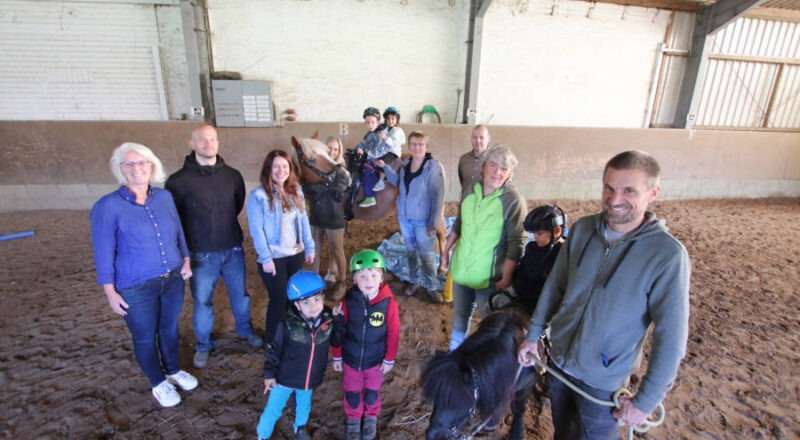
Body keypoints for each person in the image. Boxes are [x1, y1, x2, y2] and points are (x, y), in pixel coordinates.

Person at [517, 150, 691, 439]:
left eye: (629, 190)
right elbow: (555, 287)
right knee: (563, 430)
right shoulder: (584, 230)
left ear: (653, 192)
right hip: (559, 364)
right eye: (609, 188)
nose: (614, 199)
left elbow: (671, 336)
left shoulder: (667, 256)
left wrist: (646, 401)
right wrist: (533, 335)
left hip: (603, 383)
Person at [90, 142, 198, 407]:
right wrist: (109, 292)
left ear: (151, 166)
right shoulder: (107, 207)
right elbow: (103, 252)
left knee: (169, 329)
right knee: (144, 336)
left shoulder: (164, 197)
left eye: (142, 163)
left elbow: (178, 231)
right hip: (135, 287)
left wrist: (185, 258)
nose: (136, 168)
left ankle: (173, 370)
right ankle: (158, 382)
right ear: (120, 169)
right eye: (129, 164)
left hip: (172, 279)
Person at [165, 125, 263, 370]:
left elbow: (236, 205)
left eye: (212, 139)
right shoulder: (177, 181)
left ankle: (244, 330)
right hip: (200, 254)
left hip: (233, 249)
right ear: (192, 143)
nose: (208, 143)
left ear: (217, 142)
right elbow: (175, 219)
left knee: (240, 295)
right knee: (202, 301)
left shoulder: (232, 176)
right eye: (202, 140)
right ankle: (203, 344)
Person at [441, 144, 526, 351]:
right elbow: (459, 223)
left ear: (510, 174)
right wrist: (446, 252)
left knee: (491, 321)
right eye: (493, 165)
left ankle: (487, 359)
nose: (497, 172)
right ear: (483, 167)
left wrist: (506, 277)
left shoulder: (513, 201)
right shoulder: (470, 189)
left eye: (504, 169)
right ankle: (455, 352)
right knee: (460, 315)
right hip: (462, 270)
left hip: (489, 279)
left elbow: (517, 242)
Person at [246, 149, 315, 345]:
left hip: (295, 253)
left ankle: (290, 335)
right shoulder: (258, 196)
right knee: (278, 299)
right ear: (269, 169)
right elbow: (256, 230)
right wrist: (266, 258)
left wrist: (309, 247)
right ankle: (272, 341)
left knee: (293, 297)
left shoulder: (296, 191)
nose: (280, 170)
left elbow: (303, 221)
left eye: (285, 166)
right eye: (276, 166)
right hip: (274, 257)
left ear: (290, 169)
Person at [256, 270, 333, 440]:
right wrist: (269, 374)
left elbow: (337, 339)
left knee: (304, 405)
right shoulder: (287, 325)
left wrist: (340, 320)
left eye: (317, 299)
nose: (313, 306)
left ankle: (300, 427)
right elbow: (274, 350)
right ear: (297, 305)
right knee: (274, 409)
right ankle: (262, 436)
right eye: (306, 302)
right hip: (284, 379)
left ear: (323, 298)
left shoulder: (328, 320)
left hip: (309, 378)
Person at [331, 249, 400, 440]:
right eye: (362, 276)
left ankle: (370, 418)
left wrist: (389, 359)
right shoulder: (348, 301)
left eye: (373, 275)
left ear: (381, 277)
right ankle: (353, 420)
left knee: (372, 392)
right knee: (352, 392)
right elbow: (340, 330)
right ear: (354, 279)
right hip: (351, 359)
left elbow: (393, 333)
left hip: (375, 361)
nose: (368, 281)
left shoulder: (389, 304)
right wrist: (337, 355)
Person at [378, 131, 445, 304]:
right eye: (414, 144)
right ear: (409, 146)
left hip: (423, 221)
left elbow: (438, 196)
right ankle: (414, 281)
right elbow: (397, 181)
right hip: (405, 218)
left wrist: (434, 222)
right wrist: (385, 167)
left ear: (426, 147)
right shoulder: (406, 163)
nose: (417, 147)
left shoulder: (433, 167)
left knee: (427, 255)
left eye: (421, 144)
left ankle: (431, 286)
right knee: (411, 252)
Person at [304, 136, 351, 291]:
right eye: (329, 148)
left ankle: (342, 281)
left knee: (337, 250)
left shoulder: (342, 171)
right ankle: (314, 281)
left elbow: (341, 196)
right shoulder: (315, 167)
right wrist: (326, 187)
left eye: (335, 149)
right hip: (316, 216)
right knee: (314, 249)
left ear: (339, 152)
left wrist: (325, 187)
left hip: (334, 217)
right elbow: (307, 188)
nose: (332, 151)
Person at [512, 204, 568, 315]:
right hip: (523, 299)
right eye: (533, 233)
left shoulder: (566, 254)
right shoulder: (532, 247)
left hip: (549, 308)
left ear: (556, 231)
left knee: (545, 331)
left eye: (539, 233)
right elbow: (521, 272)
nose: (535, 237)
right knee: (495, 303)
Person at [354, 106, 392, 208]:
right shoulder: (370, 134)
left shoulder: (380, 133)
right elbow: (363, 144)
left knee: (367, 169)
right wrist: (356, 149)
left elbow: (378, 150)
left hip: (378, 157)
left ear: (378, 122)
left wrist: (366, 154)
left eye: (372, 122)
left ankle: (370, 197)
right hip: (370, 156)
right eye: (367, 122)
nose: (370, 125)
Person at [372, 106, 406, 192]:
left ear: (397, 120)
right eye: (388, 119)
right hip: (386, 151)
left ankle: (381, 182)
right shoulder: (386, 129)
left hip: (393, 152)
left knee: (381, 161)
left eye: (392, 118)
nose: (390, 121)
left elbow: (393, 143)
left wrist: (385, 138)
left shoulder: (397, 131)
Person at [457, 125, 491, 198]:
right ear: (471, 139)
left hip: (487, 207)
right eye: (474, 137)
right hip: (466, 205)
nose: (477, 141)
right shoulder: (463, 159)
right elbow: (462, 181)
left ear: (488, 139)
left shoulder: (494, 161)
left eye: (481, 137)